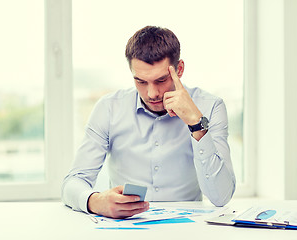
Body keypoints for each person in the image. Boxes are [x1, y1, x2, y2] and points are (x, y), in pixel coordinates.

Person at [62, 26, 236, 219]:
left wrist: (196, 124)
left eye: (161, 80)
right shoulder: (108, 108)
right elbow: (72, 183)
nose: (152, 94)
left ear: (179, 69)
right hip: (126, 228)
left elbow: (221, 197)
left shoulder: (211, 107)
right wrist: (95, 201)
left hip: (187, 228)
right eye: (141, 81)